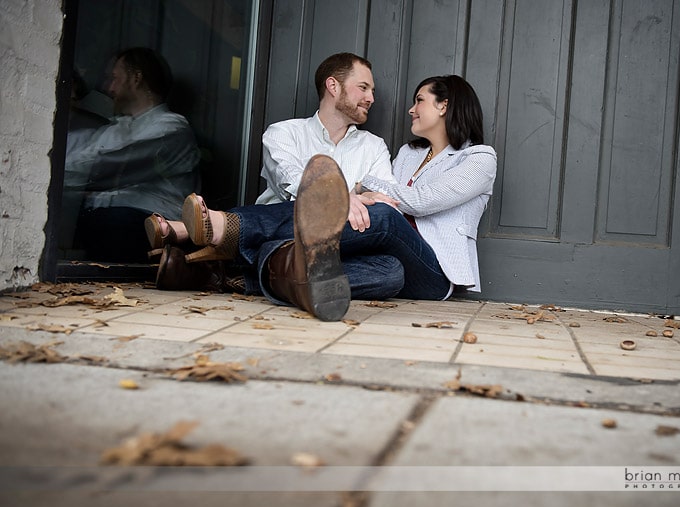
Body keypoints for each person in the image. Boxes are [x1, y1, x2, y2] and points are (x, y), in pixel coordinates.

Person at [154, 75, 496, 321]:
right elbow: (392, 197)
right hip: (394, 259)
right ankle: (234, 274)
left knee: (380, 216)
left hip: (434, 271)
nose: (411, 109)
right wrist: (366, 196)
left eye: (419, 100)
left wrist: (364, 186)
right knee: (387, 274)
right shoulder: (408, 153)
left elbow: (420, 201)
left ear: (444, 105)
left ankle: (225, 228)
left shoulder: (479, 159)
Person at [149, 51, 401, 292]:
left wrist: (350, 197)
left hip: (341, 246)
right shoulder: (283, 133)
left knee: (392, 272)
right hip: (287, 240)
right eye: (363, 87)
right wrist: (349, 195)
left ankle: (220, 257)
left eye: (372, 91)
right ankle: (237, 259)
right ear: (333, 86)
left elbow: (386, 202)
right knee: (307, 209)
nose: (371, 98)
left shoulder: (373, 146)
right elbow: (292, 183)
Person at [65, 47, 200, 262]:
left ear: (136, 79)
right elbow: (80, 163)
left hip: (147, 221)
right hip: (105, 220)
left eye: (114, 78)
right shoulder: (113, 129)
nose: (109, 88)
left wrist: (60, 178)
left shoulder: (172, 128)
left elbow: (116, 166)